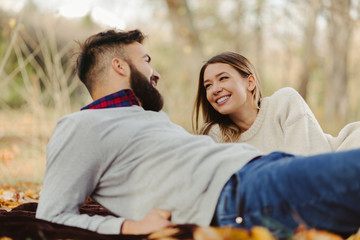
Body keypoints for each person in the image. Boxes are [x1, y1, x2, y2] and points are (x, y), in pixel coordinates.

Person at [36, 29, 360, 238]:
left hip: (260, 173)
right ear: (120, 67)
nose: (155, 72)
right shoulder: (80, 126)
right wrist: (127, 226)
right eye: (146, 61)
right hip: (242, 194)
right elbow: (52, 213)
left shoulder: (149, 120)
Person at [193, 51, 360, 155]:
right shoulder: (216, 136)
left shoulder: (283, 102)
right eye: (208, 85)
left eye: (223, 78)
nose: (215, 89)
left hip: (335, 156)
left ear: (250, 82)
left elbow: (308, 161)